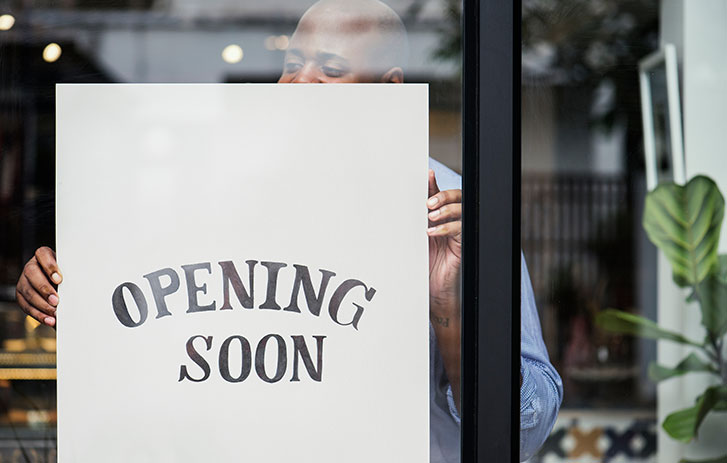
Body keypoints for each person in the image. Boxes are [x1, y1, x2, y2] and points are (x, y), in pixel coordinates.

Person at [15, 0, 562, 461]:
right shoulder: (217, 193)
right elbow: (163, 334)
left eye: (329, 68)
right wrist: (71, 293)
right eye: (292, 63)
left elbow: (526, 431)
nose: (298, 82)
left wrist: (448, 310)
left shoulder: (451, 215)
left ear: (389, 88)